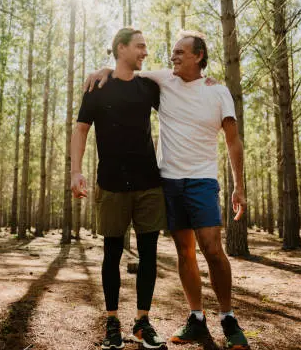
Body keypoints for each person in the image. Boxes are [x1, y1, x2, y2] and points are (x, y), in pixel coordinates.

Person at [86, 31, 250, 350]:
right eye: (172, 52)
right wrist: (103, 70)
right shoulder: (163, 80)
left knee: (212, 249)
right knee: (184, 251)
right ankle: (196, 318)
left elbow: (233, 140)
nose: (172, 57)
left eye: (179, 52)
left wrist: (239, 186)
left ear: (198, 56)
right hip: (168, 181)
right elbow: (125, 69)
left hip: (202, 180)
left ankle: (228, 317)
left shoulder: (218, 92)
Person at [70, 27, 168, 349]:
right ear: (121, 48)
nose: (145, 52)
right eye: (140, 46)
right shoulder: (97, 87)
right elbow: (81, 130)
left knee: (149, 253)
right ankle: (112, 322)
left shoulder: (147, 88)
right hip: (110, 182)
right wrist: (75, 172)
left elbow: (178, 87)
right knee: (111, 254)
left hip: (148, 183)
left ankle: (142, 322)